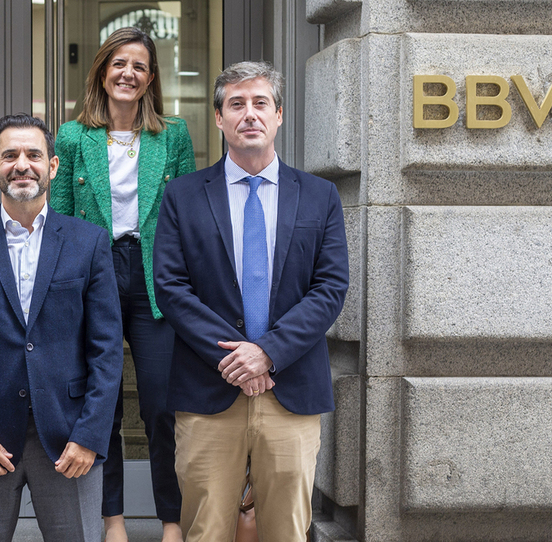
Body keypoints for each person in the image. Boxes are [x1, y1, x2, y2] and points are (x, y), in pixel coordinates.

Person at [153, 61, 350, 542]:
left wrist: (268, 352)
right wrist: (238, 357)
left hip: (291, 390)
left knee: (287, 531)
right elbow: (171, 288)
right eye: (236, 104)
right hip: (207, 391)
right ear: (218, 119)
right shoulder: (182, 196)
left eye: (260, 103)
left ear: (279, 115)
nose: (249, 114)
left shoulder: (320, 196)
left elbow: (330, 288)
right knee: (207, 530)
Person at [0, 114, 122, 542]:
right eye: (10, 155)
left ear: (52, 166)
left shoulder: (89, 242)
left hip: (71, 439)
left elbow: (106, 351)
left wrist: (89, 435)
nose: (22, 164)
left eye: (34, 154)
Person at [49, 26, 194, 542]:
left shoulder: (172, 134)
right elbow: (60, 219)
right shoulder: (71, 136)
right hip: (95, 272)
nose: (128, 73)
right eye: (118, 64)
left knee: (160, 406)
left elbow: (183, 219)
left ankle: (172, 520)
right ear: (102, 72)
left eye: (138, 66)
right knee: (102, 403)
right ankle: (111, 521)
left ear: (150, 78)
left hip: (154, 278)